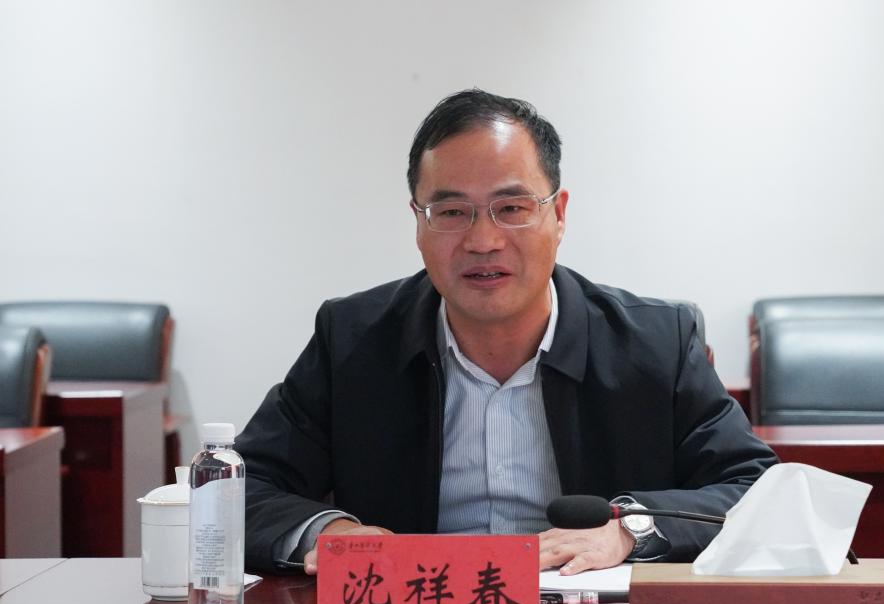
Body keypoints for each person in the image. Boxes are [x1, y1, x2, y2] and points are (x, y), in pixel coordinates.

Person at [236, 89, 777, 576]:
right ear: (418, 223)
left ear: (558, 215)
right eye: (451, 211)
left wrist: (630, 531)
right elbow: (238, 487)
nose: (483, 241)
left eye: (511, 208)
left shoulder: (655, 343)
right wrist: (331, 533)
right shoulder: (353, 340)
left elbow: (758, 491)